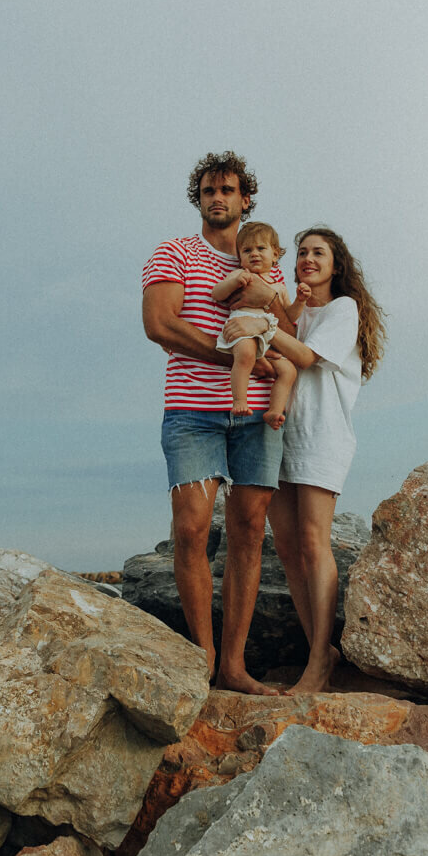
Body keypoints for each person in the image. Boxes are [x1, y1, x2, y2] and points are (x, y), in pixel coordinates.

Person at [141, 151, 294, 695]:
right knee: (191, 529)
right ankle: (202, 663)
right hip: (192, 411)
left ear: (245, 198)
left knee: (250, 532)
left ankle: (234, 666)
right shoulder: (175, 252)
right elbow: (159, 324)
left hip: (259, 415)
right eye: (208, 190)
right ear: (199, 198)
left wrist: (273, 301)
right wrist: (232, 356)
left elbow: (290, 326)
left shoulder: (267, 262)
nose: (217, 198)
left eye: (228, 190)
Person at [222, 226, 386, 693]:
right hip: (280, 433)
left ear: (337, 265)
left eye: (319, 253)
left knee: (315, 544)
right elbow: (275, 349)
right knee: (290, 550)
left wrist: (263, 325)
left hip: (321, 436)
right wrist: (266, 318)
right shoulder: (291, 309)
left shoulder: (343, 308)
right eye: (302, 253)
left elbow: (308, 359)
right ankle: (322, 648)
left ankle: (317, 662)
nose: (308, 259)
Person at [209, 221, 303, 430]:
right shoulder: (241, 275)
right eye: (247, 250)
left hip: (267, 334)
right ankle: (240, 400)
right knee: (246, 356)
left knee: (288, 371)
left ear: (275, 254)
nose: (254, 254)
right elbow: (217, 294)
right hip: (242, 328)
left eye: (261, 248)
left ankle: (275, 410)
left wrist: (300, 301)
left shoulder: (278, 286)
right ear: (240, 257)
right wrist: (234, 282)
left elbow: (289, 316)